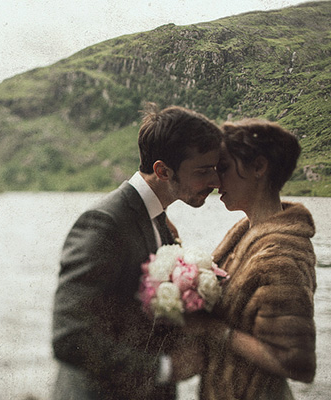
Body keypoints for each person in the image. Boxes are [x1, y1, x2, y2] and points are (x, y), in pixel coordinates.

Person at [51, 103, 223, 400]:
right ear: (162, 170)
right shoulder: (105, 223)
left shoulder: (158, 219)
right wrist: (164, 368)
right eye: (204, 171)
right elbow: (71, 337)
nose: (215, 182)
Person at [179, 118, 317, 399]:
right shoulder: (245, 235)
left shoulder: (281, 255)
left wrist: (216, 332)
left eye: (225, 168)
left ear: (259, 167)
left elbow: (297, 363)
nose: (216, 181)